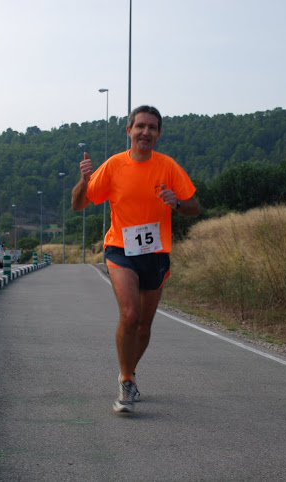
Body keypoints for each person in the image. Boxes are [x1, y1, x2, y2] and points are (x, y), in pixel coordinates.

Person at [71, 105, 201, 413]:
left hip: (155, 252)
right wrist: (83, 180)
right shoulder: (114, 166)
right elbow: (79, 204)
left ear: (158, 134)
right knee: (130, 315)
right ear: (128, 131)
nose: (146, 132)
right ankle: (126, 382)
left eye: (152, 127)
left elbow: (194, 206)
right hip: (120, 248)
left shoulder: (168, 167)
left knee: (144, 325)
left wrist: (177, 203)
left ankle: (128, 370)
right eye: (140, 126)